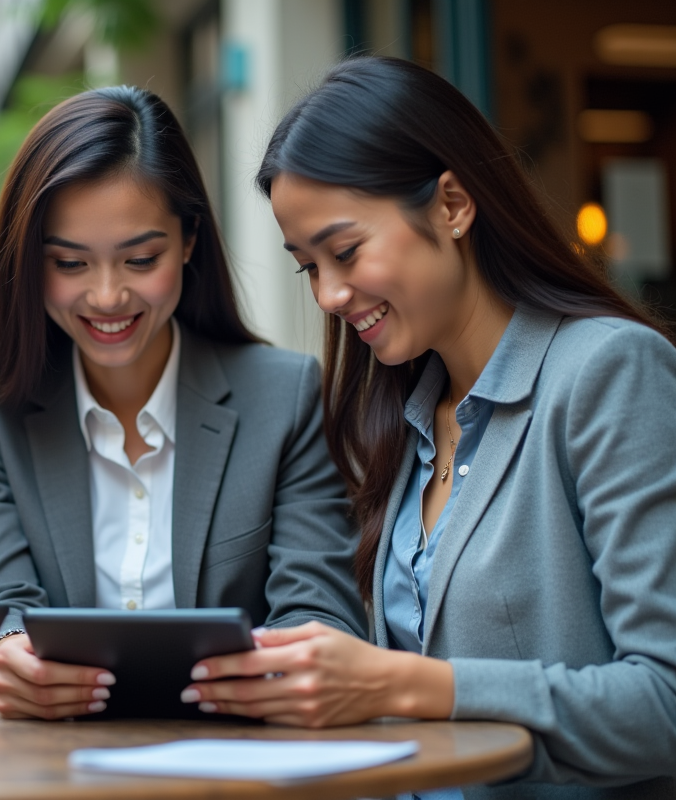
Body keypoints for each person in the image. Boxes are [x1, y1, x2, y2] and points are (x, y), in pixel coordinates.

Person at [181, 56, 676, 797]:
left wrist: (403, 685)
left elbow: (663, 702)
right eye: (306, 267)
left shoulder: (610, 371)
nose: (329, 294)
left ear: (451, 205)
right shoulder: (401, 418)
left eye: (344, 252)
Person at [0, 85, 367, 721]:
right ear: (31, 263)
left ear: (189, 240)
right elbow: (1, 601)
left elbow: (319, 612)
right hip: (57, 771)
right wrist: (1, 656)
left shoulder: (285, 397)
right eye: (70, 263)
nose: (108, 296)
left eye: (141, 259)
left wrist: (278, 668)